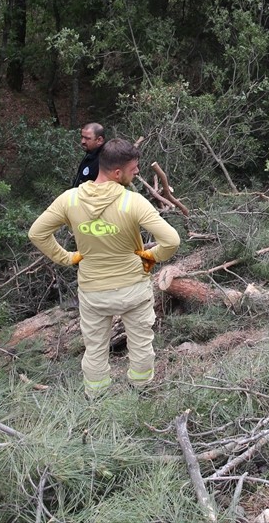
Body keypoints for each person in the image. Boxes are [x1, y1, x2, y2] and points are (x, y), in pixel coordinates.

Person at [29, 138, 180, 399]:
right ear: (118, 172)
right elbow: (172, 241)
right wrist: (150, 257)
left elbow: (37, 233)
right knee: (141, 345)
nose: (137, 173)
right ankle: (141, 391)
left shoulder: (70, 200)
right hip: (133, 290)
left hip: (93, 292)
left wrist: (67, 258)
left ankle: (96, 397)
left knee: (96, 349)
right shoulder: (133, 202)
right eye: (134, 169)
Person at [73, 122, 106, 187]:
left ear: (99, 140)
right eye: (82, 137)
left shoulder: (104, 160)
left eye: (87, 138)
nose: (83, 141)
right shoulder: (90, 154)